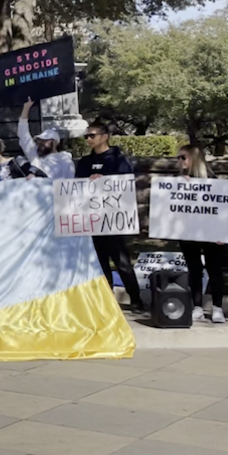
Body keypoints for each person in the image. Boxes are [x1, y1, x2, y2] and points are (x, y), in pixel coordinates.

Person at [76, 122, 144, 314]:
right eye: (86, 136)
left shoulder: (119, 160)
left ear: (104, 136)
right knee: (100, 264)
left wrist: (104, 180)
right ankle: (107, 302)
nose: (88, 139)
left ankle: (136, 300)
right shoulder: (84, 162)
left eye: (92, 135)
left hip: (113, 219)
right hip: (92, 218)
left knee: (122, 262)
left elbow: (126, 185)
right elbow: (75, 187)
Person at [174, 145, 227, 323]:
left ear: (194, 159)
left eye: (183, 157)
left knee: (215, 270)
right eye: (179, 158)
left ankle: (217, 308)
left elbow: (222, 209)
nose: (179, 161)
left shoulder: (212, 180)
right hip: (188, 233)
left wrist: (223, 232)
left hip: (211, 233)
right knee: (194, 270)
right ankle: (197, 306)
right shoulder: (176, 181)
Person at [18, 99, 75, 179]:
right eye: (40, 140)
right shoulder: (36, 157)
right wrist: (26, 108)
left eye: (45, 140)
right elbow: (23, 135)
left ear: (55, 143)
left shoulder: (64, 160)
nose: (41, 143)